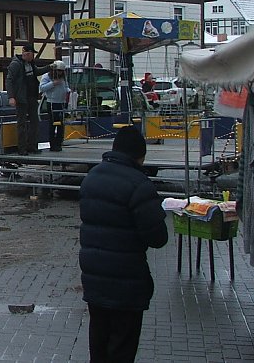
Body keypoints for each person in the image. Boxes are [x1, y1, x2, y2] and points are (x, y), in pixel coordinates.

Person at [79, 125, 168, 362]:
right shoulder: (139, 185)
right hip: (126, 285)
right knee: (122, 349)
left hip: (94, 280)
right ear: (140, 156)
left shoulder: (91, 178)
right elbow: (158, 238)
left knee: (98, 343)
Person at [6, 44, 48, 154]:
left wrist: (49, 67)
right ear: (26, 54)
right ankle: (22, 148)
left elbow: (37, 72)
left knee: (34, 122)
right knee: (22, 124)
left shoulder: (30, 63)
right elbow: (9, 80)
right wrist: (11, 97)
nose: (33, 57)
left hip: (32, 96)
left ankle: (32, 146)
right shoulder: (16, 64)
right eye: (31, 54)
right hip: (21, 97)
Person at [39, 60, 70, 152]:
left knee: (61, 124)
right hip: (52, 103)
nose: (60, 73)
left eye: (62, 71)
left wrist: (68, 91)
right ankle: (52, 144)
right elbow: (42, 88)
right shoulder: (46, 76)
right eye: (58, 71)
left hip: (62, 102)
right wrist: (53, 83)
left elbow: (66, 86)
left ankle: (59, 142)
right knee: (53, 124)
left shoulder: (63, 78)